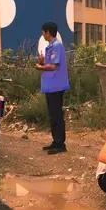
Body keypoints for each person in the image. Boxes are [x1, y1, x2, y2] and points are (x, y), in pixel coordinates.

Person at [35, 21, 69, 155]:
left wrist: (40, 67)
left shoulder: (57, 46)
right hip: (50, 86)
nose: (42, 34)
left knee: (57, 115)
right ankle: (56, 141)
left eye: (43, 32)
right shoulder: (50, 47)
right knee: (52, 116)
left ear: (48, 32)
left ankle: (61, 144)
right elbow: (49, 63)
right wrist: (42, 61)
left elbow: (54, 66)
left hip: (56, 86)